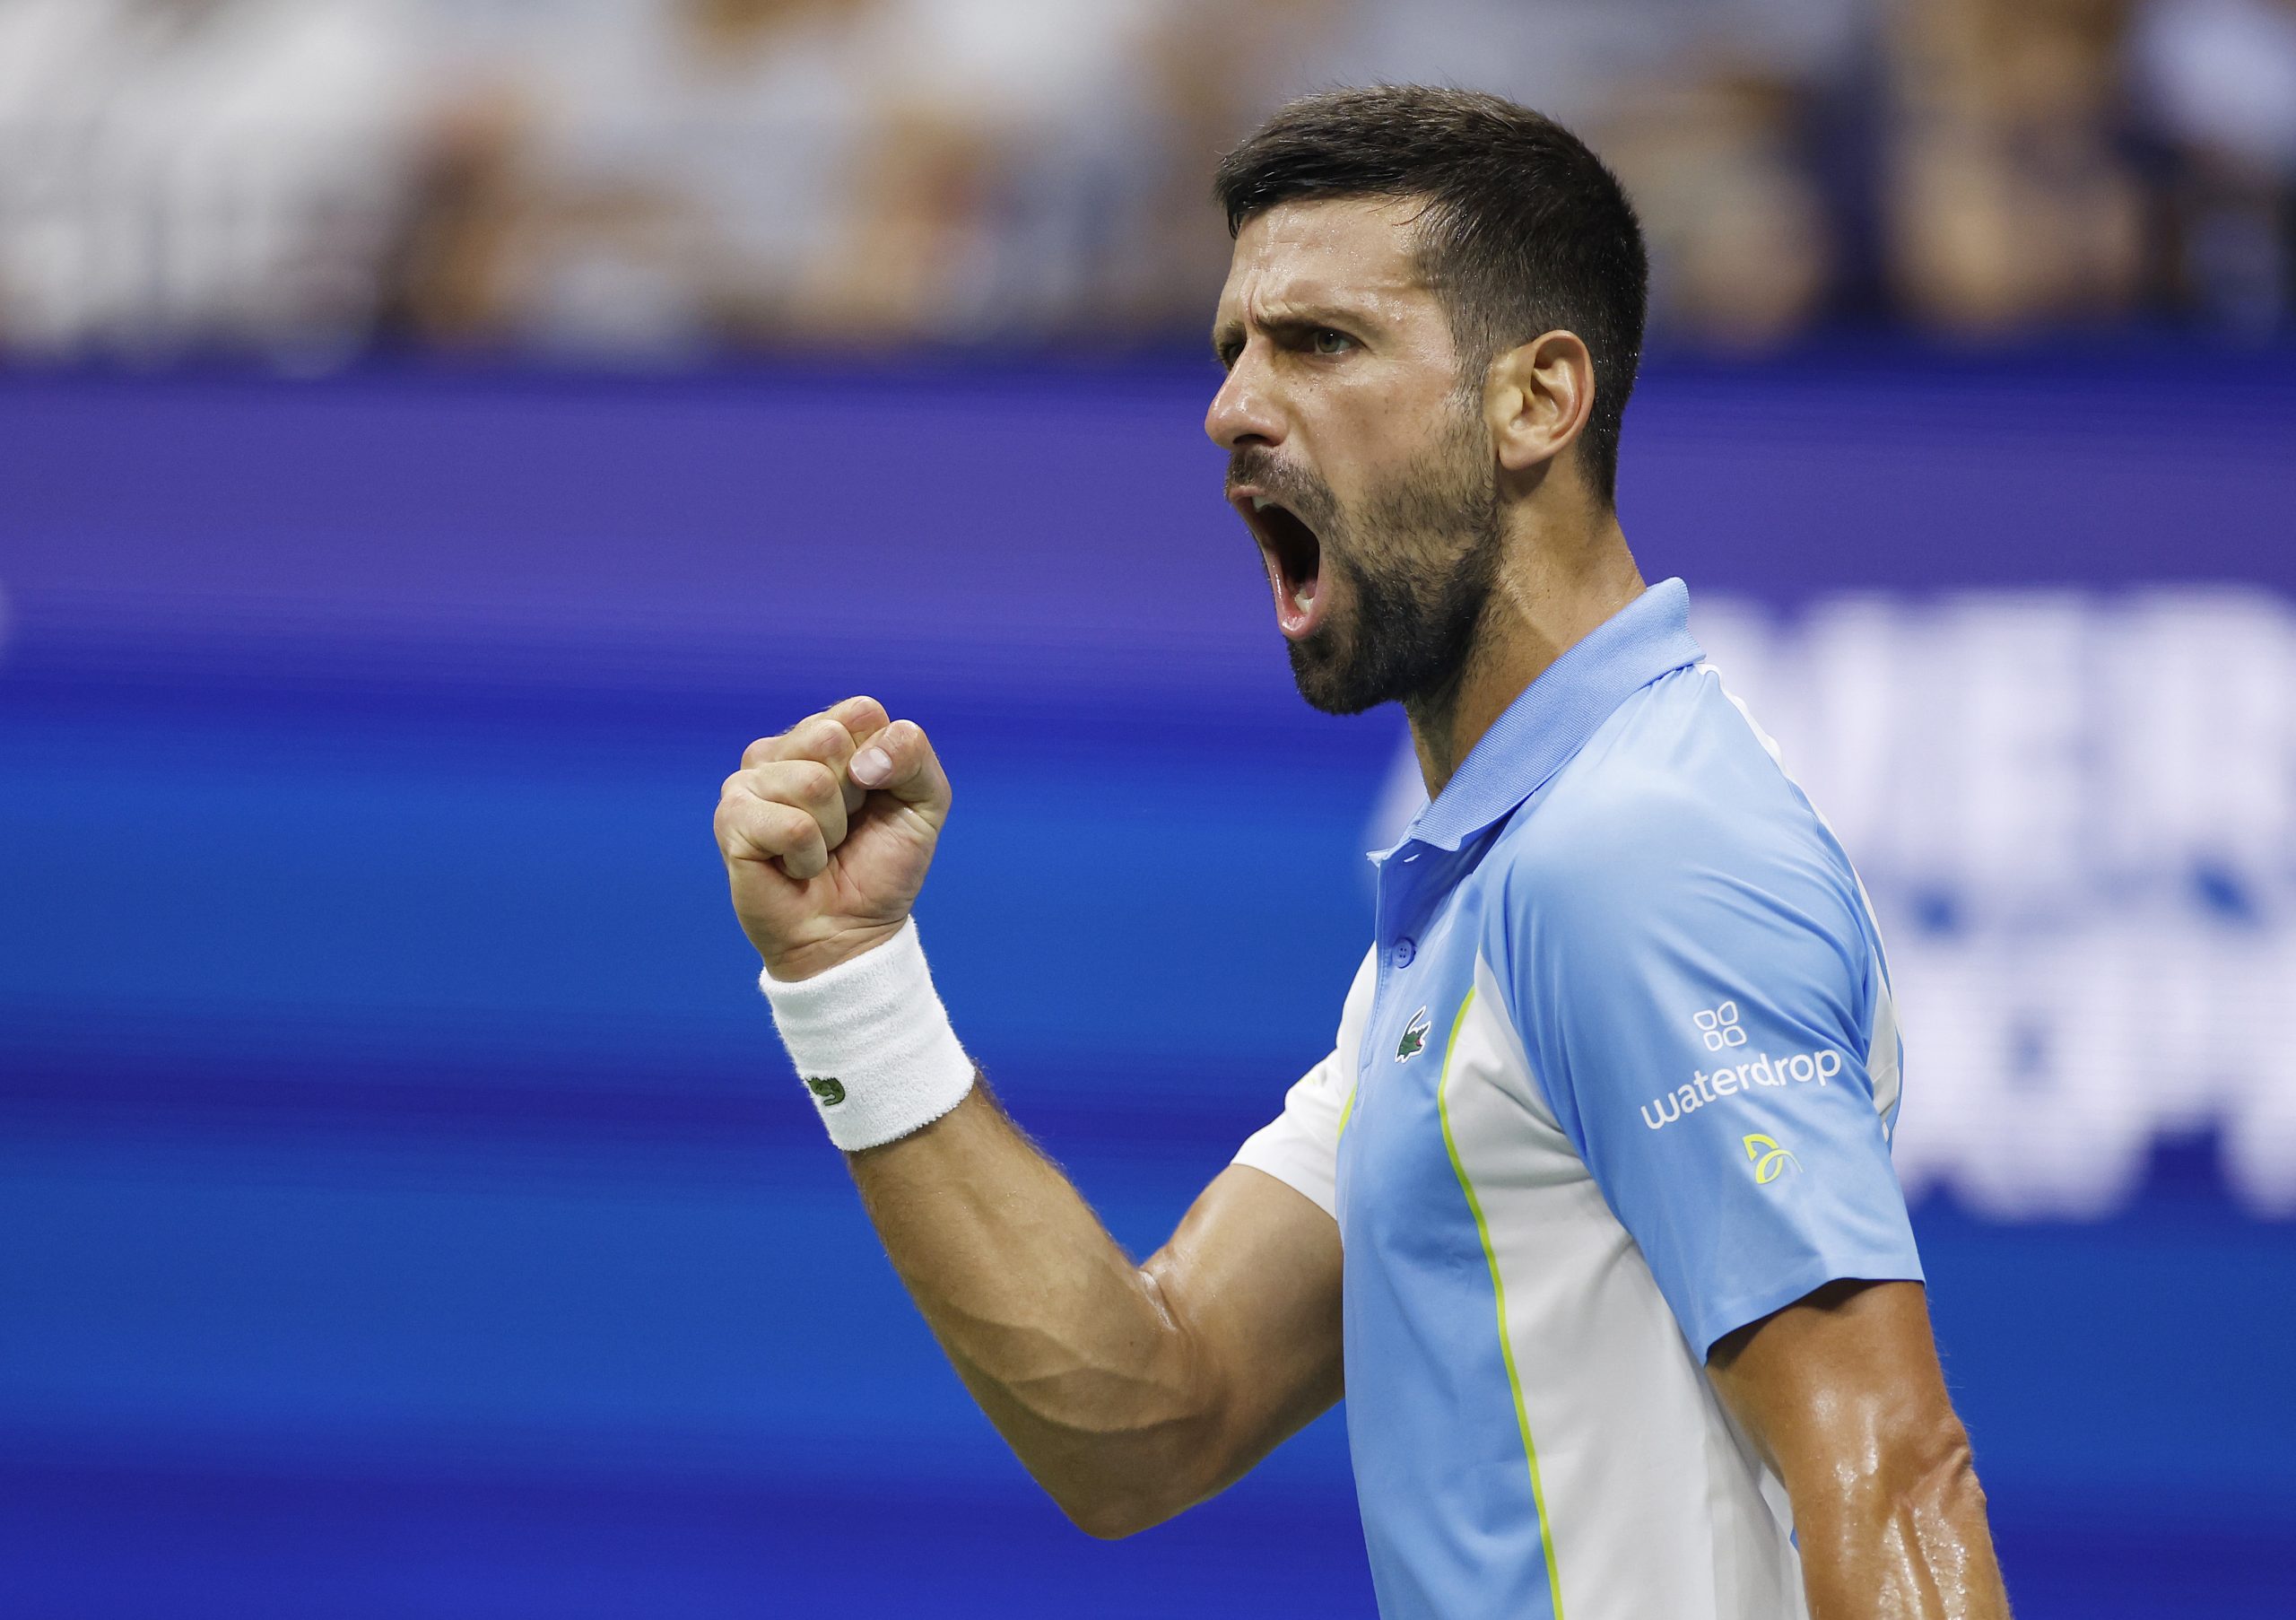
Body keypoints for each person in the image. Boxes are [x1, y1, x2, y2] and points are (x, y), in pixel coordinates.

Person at [713, 86, 2012, 1620]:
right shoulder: (1504, 881)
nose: (1233, 409)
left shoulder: (1635, 852)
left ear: (1538, 400)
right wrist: (849, 979)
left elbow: (1894, 1465)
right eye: (1234, 351)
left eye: (1320, 344)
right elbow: (1151, 1412)